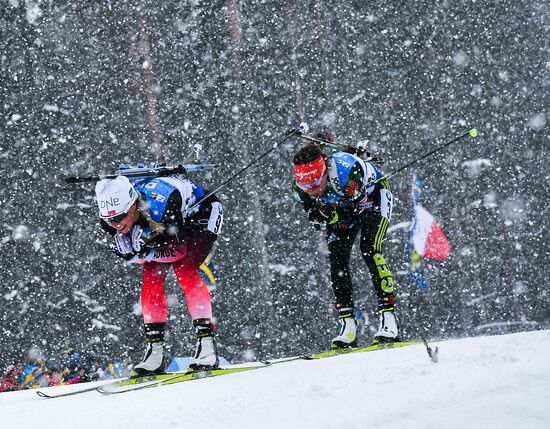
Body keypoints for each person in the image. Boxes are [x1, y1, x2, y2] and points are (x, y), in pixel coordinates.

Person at [94, 169, 223, 376]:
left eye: (120, 216)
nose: (116, 224)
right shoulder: (112, 221)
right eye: (110, 220)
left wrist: (142, 251)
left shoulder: (162, 206)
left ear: (133, 205)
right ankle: (155, 350)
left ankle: (207, 346)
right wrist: (136, 253)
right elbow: (143, 254)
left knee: (186, 270)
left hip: (200, 213)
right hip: (164, 227)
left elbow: (178, 252)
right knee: (151, 277)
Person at [292, 139, 399, 348]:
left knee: (370, 249)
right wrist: (321, 216)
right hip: (344, 206)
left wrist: (330, 216)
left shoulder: (345, 172)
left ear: (324, 172)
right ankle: (347, 324)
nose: (312, 190)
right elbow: (316, 220)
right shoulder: (299, 189)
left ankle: (389, 319)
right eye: (306, 185)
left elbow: (356, 211)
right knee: (337, 260)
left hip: (373, 198)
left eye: (315, 183)